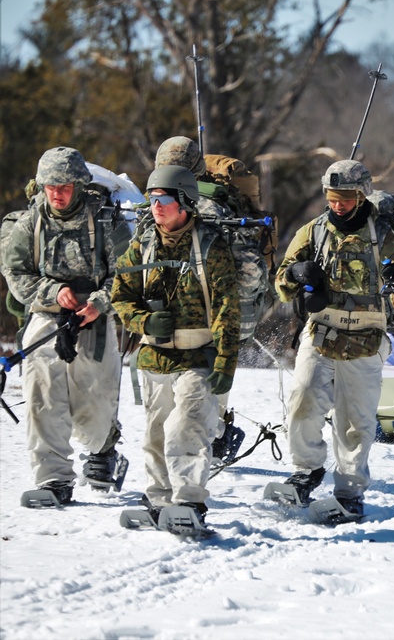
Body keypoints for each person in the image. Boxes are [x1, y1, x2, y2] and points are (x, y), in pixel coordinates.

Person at [272, 160, 394, 516]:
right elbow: (280, 285)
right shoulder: (313, 232)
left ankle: (350, 492)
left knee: (356, 421)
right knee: (303, 400)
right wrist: (295, 271)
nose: (338, 205)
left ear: (362, 195)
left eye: (346, 198)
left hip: (365, 337)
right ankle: (305, 471)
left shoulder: (383, 236)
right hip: (321, 332)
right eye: (332, 197)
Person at [111, 165, 241, 525]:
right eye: (152, 200)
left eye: (163, 199)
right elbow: (120, 293)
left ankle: (189, 503)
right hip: (154, 356)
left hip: (199, 357)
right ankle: (159, 502)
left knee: (186, 428)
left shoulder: (211, 246)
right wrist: (143, 322)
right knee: (155, 434)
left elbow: (228, 307)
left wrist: (226, 362)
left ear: (184, 201)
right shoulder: (143, 243)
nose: (156, 207)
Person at [2, 147, 128, 504]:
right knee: (41, 388)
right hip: (48, 313)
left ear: (79, 185)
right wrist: (53, 292)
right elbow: (15, 272)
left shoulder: (105, 220)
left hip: (96, 315)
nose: (56, 193)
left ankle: (103, 449)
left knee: (94, 403)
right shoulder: (30, 223)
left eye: (64, 186)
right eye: (50, 186)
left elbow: (128, 276)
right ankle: (53, 479)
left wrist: (99, 303)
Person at [152, 136, 273, 464]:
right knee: (205, 382)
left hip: (181, 313)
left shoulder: (156, 204)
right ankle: (216, 434)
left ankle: (207, 440)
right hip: (209, 312)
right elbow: (251, 271)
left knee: (188, 388)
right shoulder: (217, 203)